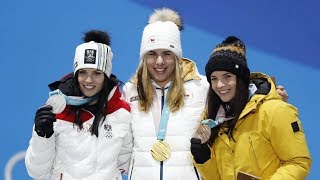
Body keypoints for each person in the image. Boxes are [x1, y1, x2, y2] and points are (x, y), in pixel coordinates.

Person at [122, 8, 289, 180]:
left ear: (177, 56)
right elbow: (120, 142)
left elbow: (239, 110)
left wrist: (271, 98)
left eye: (167, 53)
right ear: (144, 57)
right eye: (152, 54)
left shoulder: (202, 87)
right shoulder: (130, 91)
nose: (159, 61)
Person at [190, 36, 311, 179]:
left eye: (227, 77)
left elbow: (298, 162)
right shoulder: (212, 119)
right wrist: (203, 159)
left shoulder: (274, 110)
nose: (220, 85)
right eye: (214, 78)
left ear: (240, 78)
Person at [25, 30, 132, 180]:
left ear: (106, 76)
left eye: (96, 73)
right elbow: (37, 171)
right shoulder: (56, 110)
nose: (88, 80)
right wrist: (42, 135)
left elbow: (126, 165)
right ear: (76, 74)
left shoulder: (121, 112)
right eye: (83, 72)